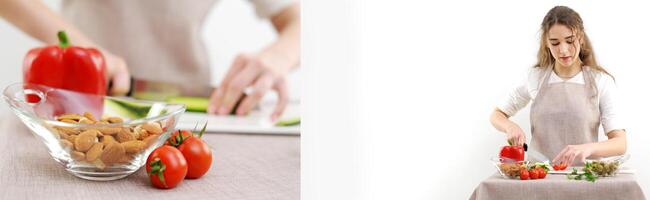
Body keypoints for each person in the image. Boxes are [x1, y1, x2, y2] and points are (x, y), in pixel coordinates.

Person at [0, 0, 300, 120]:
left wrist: (278, 56)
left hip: (185, 114)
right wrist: (82, 52)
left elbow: (301, 22)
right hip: (74, 109)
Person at [489, 6, 626, 166]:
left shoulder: (601, 81)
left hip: (583, 179)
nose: (563, 50)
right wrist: (510, 127)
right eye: (555, 43)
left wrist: (588, 148)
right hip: (540, 177)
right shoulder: (535, 77)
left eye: (570, 41)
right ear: (546, 43)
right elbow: (497, 114)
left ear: (580, 37)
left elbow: (620, 143)